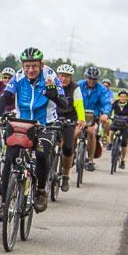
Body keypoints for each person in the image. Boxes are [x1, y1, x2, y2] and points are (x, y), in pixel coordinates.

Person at [0, 47, 67, 217]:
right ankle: (4, 204)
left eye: (34, 66)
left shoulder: (50, 77)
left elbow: (64, 104)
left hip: (45, 124)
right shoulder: (18, 76)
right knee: (11, 157)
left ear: (41, 65)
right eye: (27, 66)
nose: (30, 70)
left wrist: (54, 96)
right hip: (22, 123)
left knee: (41, 154)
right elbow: (5, 97)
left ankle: (40, 191)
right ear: (22, 66)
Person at [53, 63, 86, 192]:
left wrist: (81, 118)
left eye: (66, 76)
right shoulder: (52, 84)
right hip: (53, 118)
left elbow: (79, 104)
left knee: (67, 148)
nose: (63, 79)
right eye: (61, 75)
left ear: (70, 77)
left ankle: (66, 175)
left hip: (69, 120)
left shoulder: (75, 88)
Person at [78, 66, 113, 171]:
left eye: (94, 79)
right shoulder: (79, 85)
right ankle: (70, 154)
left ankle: (90, 160)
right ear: (86, 77)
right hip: (79, 114)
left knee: (91, 132)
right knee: (75, 133)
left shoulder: (101, 89)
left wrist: (105, 114)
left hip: (93, 116)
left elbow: (107, 103)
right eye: (90, 78)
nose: (92, 81)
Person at [110, 89, 128, 168]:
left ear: (127, 97)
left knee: (124, 143)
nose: (123, 98)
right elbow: (110, 109)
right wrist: (108, 115)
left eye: (124, 96)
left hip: (125, 125)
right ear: (119, 97)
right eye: (121, 96)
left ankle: (123, 160)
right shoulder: (116, 103)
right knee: (111, 131)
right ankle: (110, 143)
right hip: (116, 122)